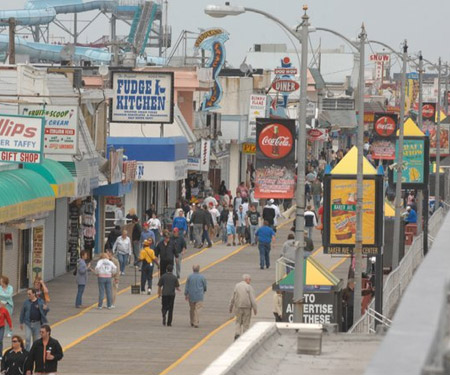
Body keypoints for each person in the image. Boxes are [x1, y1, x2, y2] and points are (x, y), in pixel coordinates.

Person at [229, 274, 257, 340]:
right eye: (250, 280)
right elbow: (252, 299)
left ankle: (237, 334)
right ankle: (245, 335)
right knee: (246, 322)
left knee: (238, 321)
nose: (250, 281)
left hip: (238, 306)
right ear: (246, 280)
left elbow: (233, 297)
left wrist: (230, 307)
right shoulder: (249, 287)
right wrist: (255, 309)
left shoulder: (237, 286)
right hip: (247, 307)